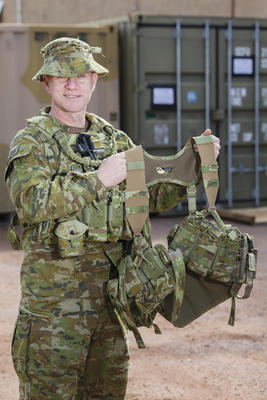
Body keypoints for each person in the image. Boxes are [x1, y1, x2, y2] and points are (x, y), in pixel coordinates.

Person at [5, 37, 220, 400]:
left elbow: (148, 197)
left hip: (111, 300)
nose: (72, 84)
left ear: (94, 81)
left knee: (106, 393)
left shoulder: (113, 138)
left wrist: (195, 165)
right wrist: (97, 179)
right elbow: (31, 202)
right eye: (62, 76)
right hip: (55, 310)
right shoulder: (32, 141)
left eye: (81, 75)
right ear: (47, 83)